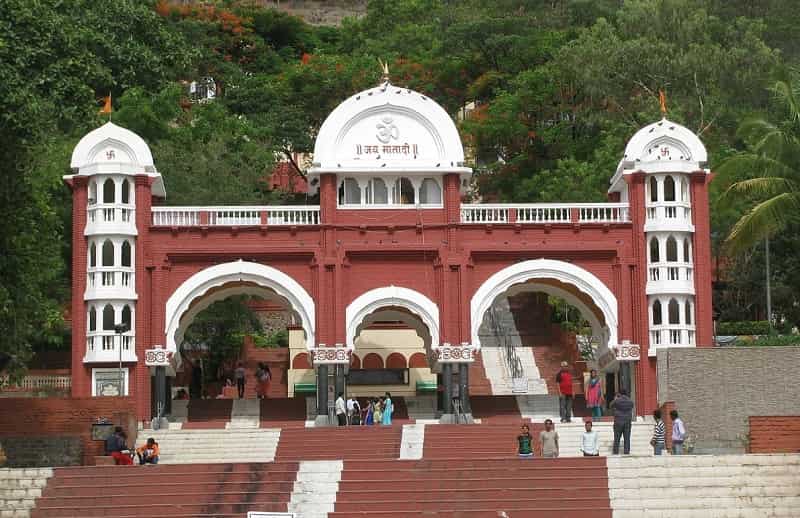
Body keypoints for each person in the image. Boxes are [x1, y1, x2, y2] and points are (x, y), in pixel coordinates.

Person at [611, 388, 634, 455]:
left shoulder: (617, 400)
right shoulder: (630, 401)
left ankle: (615, 452)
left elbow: (610, 405)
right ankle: (626, 452)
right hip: (627, 422)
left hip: (618, 421)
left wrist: (615, 399)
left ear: (619, 393)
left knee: (617, 438)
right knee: (627, 438)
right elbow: (632, 406)